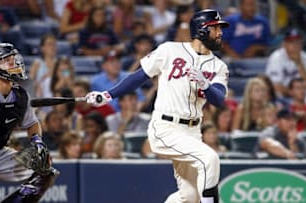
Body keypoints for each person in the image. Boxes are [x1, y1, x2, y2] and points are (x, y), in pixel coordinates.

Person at [86, 9, 230, 203]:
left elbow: (219, 99)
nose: (220, 32)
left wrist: (205, 84)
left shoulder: (218, 66)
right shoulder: (170, 50)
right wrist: (108, 95)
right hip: (165, 127)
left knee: (190, 196)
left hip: (192, 131)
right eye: (215, 28)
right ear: (202, 30)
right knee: (210, 159)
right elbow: (140, 75)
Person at [0, 43, 57, 202]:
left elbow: (32, 124)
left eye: (13, 59)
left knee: (45, 170)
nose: (13, 63)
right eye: (6, 60)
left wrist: (37, 142)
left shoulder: (20, 95)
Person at [265, 28, 306, 97]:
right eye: (291, 42)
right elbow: (274, 85)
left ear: (301, 44)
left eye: (297, 42)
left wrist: (299, 63)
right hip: (281, 96)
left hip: (303, 97)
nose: (295, 45)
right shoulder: (276, 57)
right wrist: (294, 94)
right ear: (284, 44)